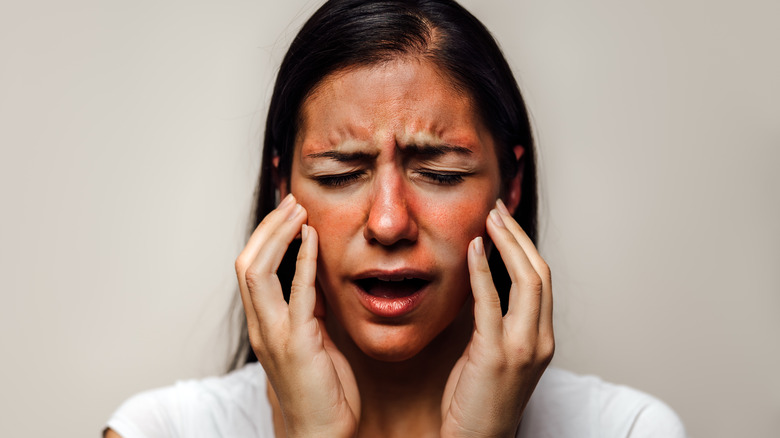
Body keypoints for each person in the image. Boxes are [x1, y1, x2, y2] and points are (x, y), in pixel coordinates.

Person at [106, 1, 686, 436]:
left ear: (510, 187)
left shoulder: (629, 429)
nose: (387, 223)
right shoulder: (159, 430)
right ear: (284, 187)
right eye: (339, 173)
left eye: (440, 171)